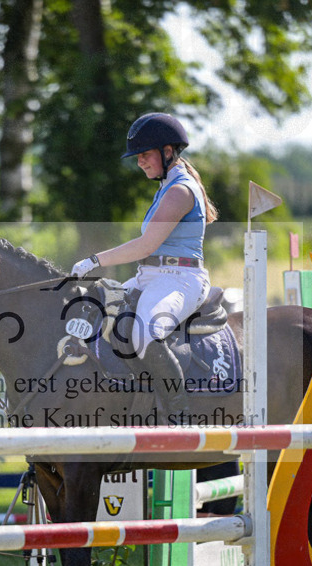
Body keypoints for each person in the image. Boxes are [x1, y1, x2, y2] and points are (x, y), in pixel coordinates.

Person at [70, 112, 217, 422]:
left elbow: (146, 246)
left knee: (146, 333)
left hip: (180, 279)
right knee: (96, 309)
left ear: (168, 151)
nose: (140, 162)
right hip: (150, 277)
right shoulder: (165, 187)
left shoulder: (180, 191)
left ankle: (179, 416)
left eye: (145, 154)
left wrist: (95, 260)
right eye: (137, 157)